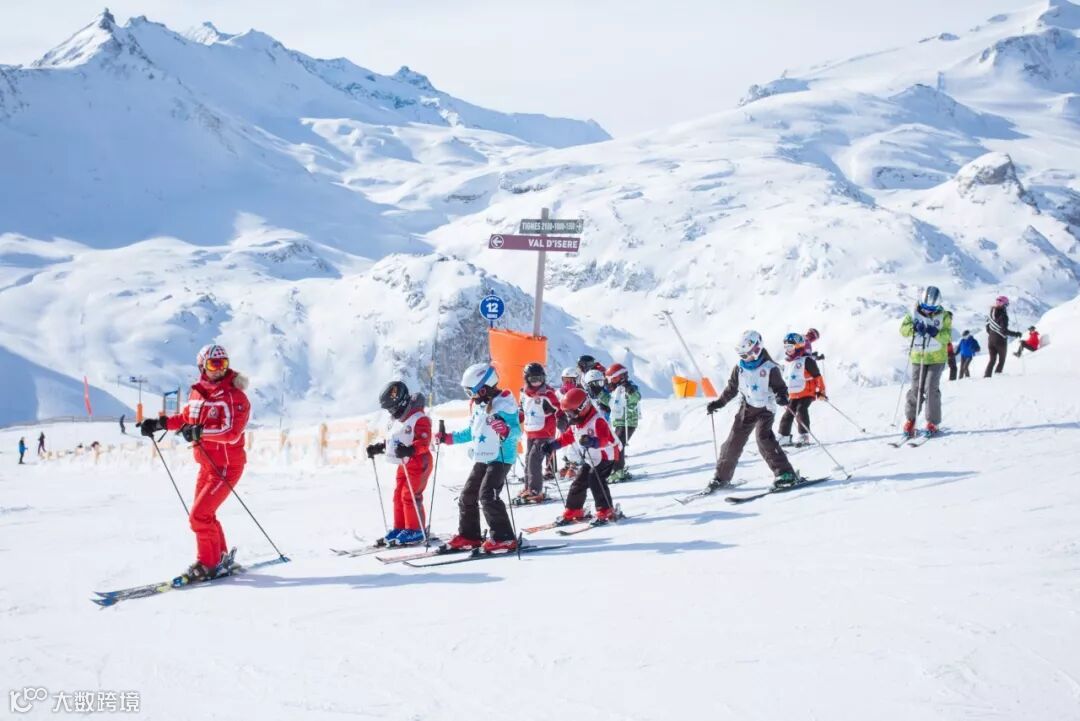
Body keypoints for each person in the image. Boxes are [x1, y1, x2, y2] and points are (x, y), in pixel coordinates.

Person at [138, 344, 251, 583]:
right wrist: (158, 424)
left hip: (227, 467)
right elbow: (185, 419)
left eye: (223, 363)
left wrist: (199, 432)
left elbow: (231, 433)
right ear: (202, 366)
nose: (219, 369)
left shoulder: (235, 397)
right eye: (213, 364)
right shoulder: (198, 392)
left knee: (199, 516)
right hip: (207, 465)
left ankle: (207, 565)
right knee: (205, 514)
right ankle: (219, 558)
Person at [436, 363, 522, 554]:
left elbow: (517, 431)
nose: (470, 397)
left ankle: (504, 538)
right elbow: (473, 430)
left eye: (471, 392)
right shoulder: (478, 405)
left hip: (501, 457)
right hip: (483, 456)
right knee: (467, 495)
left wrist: (506, 430)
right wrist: (449, 438)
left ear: (484, 389)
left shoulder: (505, 404)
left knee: (487, 495)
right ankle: (470, 535)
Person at [705, 330, 802, 490]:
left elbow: (781, 388)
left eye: (746, 355)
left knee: (763, 439)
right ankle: (721, 478)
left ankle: (785, 474)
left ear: (756, 349)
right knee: (732, 442)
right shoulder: (739, 368)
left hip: (765, 409)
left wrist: (781, 397)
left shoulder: (770, 368)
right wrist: (718, 403)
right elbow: (731, 389)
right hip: (747, 408)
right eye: (741, 355)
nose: (744, 358)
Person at [365, 381, 433, 545]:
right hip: (405, 462)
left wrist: (411, 449)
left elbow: (424, 442)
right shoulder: (400, 420)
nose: (391, 412)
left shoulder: (419, 418)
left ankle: (416, 530)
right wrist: (380, 447)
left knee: (409, 495)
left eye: (392, 408)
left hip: (419, 462)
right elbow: (396, 439)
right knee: (398, 495)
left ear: (401, 404)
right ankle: (400, 527)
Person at [542, 388, 621, 525]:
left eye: (571, 413)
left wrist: (592, 441)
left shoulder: (597, 420)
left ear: (583, 408)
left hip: (607, 455)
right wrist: (552, 445)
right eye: (567, 413)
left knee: (595, 479)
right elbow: (567, 437)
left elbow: (604, 440)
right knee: (579, 481)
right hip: (592, 458)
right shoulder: (576, 423)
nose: (569, 416)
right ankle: (574, 509)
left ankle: (606, 509)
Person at [900, 287, 953, 437]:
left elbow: (947, 336)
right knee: (916, 388)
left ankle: (932, 422)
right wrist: (914, 327)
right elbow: (903, 330)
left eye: (932, 308)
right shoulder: (913, 313)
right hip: (919, 356)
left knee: (931, 388)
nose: (928, 311)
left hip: (937, 358)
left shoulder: (945, 316)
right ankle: (911, 420)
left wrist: (935, 333)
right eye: (925, 307)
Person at [516, 362, 559, 504]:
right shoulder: (523, 393)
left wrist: (554, 413)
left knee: (534, 458)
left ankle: (536, 490)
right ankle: (528, 487)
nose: (537, 382)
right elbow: (522, 409)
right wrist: (517, 418)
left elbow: (559, 409)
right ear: (527, 379)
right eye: (533, 379)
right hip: (531, 431)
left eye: (539, 379)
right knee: (528, 458)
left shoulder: (548, 393)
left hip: (545, 432)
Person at [777, 333, 826, 447]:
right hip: (793, 395)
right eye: (786, 347)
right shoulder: (789, 363)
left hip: (807, 392)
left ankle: (804, 436)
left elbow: (817, 377)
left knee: (801, 410)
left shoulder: (807, 360)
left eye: (790, 347)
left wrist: (821, 391)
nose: (788, 350)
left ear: (798, 346)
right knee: (788, 414)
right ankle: (784, 436)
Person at [605, 364, 641, 482]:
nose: (610, 382)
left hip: (628, 422)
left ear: (619, 377)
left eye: (612, 379)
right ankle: (617, 470)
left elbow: (636, 398)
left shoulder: (630, 387)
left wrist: (631, 391)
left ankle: (618, 471)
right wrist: (600, 394)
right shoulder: (616, 390)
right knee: (616, 445)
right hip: (619, 422)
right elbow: (610, 403)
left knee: (617, 445)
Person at [985, 295, 1022, 377]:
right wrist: (1016, 334)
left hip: (990, 340)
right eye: (1006, 305)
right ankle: (998, 377)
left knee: (992, 360)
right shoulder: (1003, 316)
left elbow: (987, 326)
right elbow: (1004, 331)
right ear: (1004, 305)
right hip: (1000, 341)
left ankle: (986, 377)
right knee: (1002, 360)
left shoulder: (991, 312)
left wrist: (992, 334)